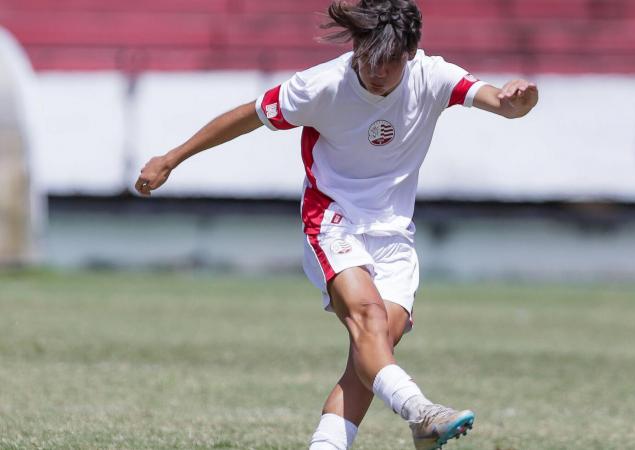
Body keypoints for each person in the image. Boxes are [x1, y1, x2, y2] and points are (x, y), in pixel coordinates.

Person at [134, 0, 538, 448]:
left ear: (409, 54)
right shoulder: (321, 85)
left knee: (372, 353)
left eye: (388, 61)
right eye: (367, 57)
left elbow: (502, 104)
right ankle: (421, 412)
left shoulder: (434, 76)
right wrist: (172, 158)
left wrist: (518, 100)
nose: (375, 71)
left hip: (395, 235)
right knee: (368, 319)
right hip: (332, 221)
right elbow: (248, 116)